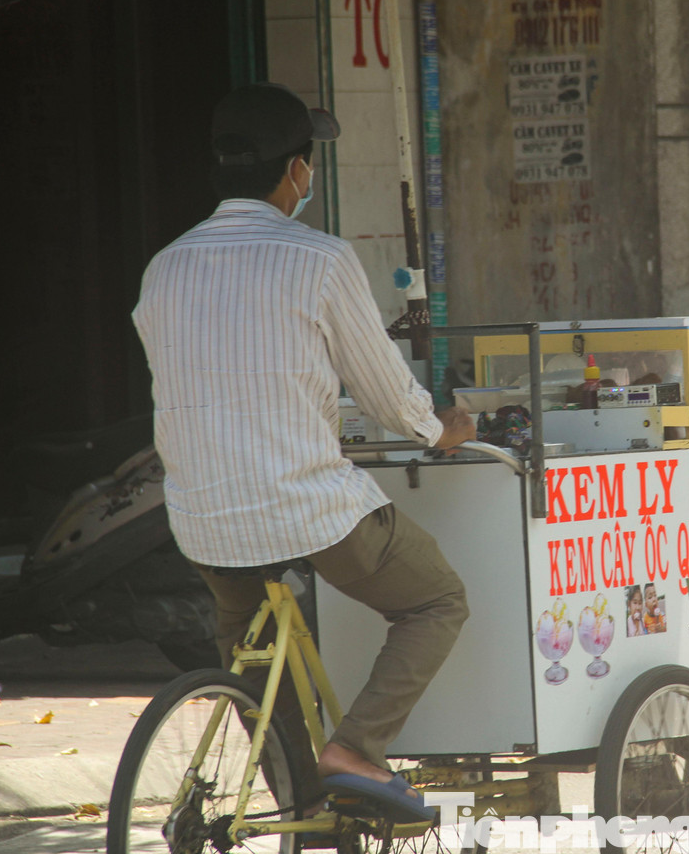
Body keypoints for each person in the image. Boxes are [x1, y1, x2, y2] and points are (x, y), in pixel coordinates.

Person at [132, 83, 475, 821]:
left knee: (249, 654)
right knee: (436, 598)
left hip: (202, 518)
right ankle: (356, 750)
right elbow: (389, 396)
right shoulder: (319, 259)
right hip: (309, 509)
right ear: (295, 171)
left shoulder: (163, 269)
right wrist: (442, 429)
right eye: (309, 162)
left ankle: (298, 803)